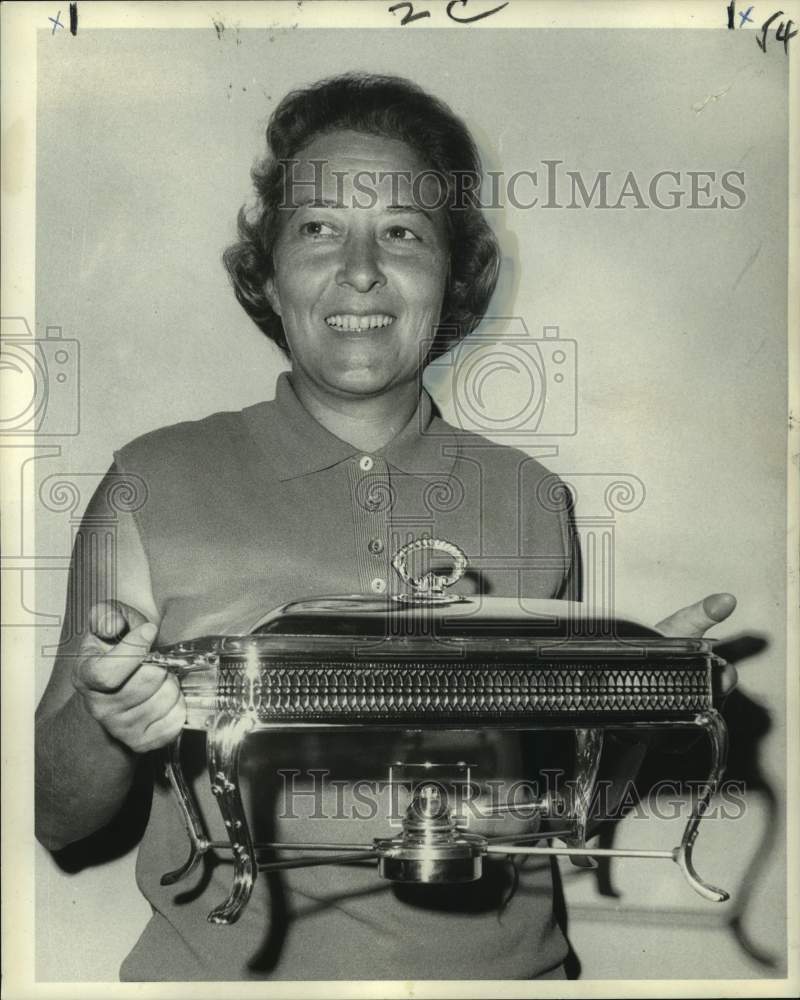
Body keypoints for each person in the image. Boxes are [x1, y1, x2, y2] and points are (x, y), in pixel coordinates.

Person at [34, 72, 736, 981]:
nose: (360, 269)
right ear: (269, 272)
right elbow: (58, 818)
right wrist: (107, 719)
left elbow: (558, 807)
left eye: (402, 233)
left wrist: (640, 707)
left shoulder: (530, 496)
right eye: (319, 229)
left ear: (452, 277)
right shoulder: (150, 481)